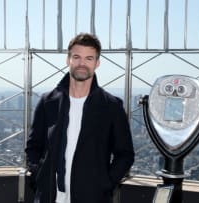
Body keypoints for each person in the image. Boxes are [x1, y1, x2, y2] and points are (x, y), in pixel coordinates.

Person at [25, 33, 135, 203]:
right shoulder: (47, 102)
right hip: (49, 197)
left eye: (89, 58)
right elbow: (33, 147)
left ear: (97, 63)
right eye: (76, 57)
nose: (82, 64)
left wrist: (105, 184)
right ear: (68, 59)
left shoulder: (111, 106)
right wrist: (39, 176)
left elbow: (125, 155)